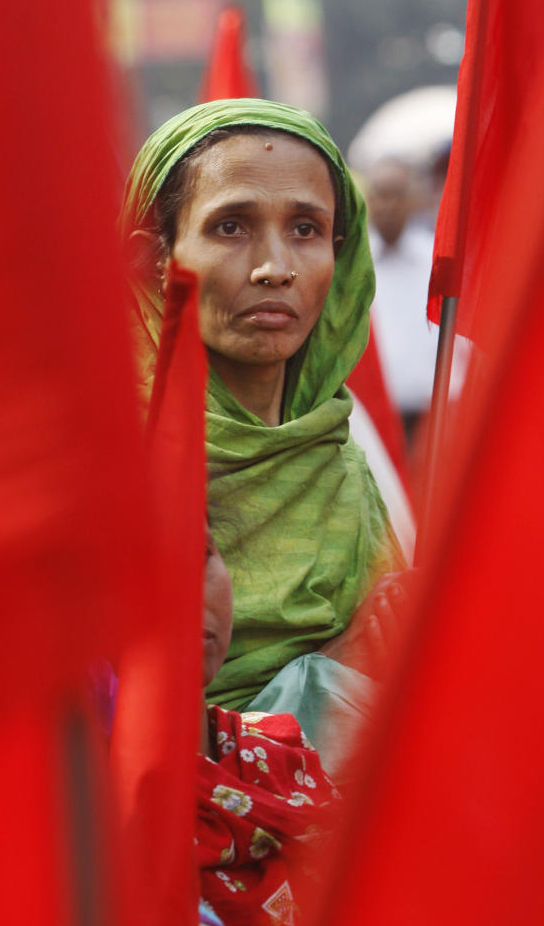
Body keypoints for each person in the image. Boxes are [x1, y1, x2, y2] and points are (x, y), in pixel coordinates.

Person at [122, 99, 409, 737]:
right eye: (230, 227)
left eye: (306, 229)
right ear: (156, 260)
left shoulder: (341, 463)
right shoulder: (108, 467)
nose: (275, 267)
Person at [197, 527, 402, 926]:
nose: (186, 591)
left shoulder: (281, 749)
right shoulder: (78, 817)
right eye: (139, 565)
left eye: (199, 555)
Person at [360, 157, 438, 443]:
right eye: (381, 194)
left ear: (413, 199)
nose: (388, 205)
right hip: (374, 419)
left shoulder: (436, 260)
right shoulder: (353, 263)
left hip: (430, 416)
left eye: (397, 195)